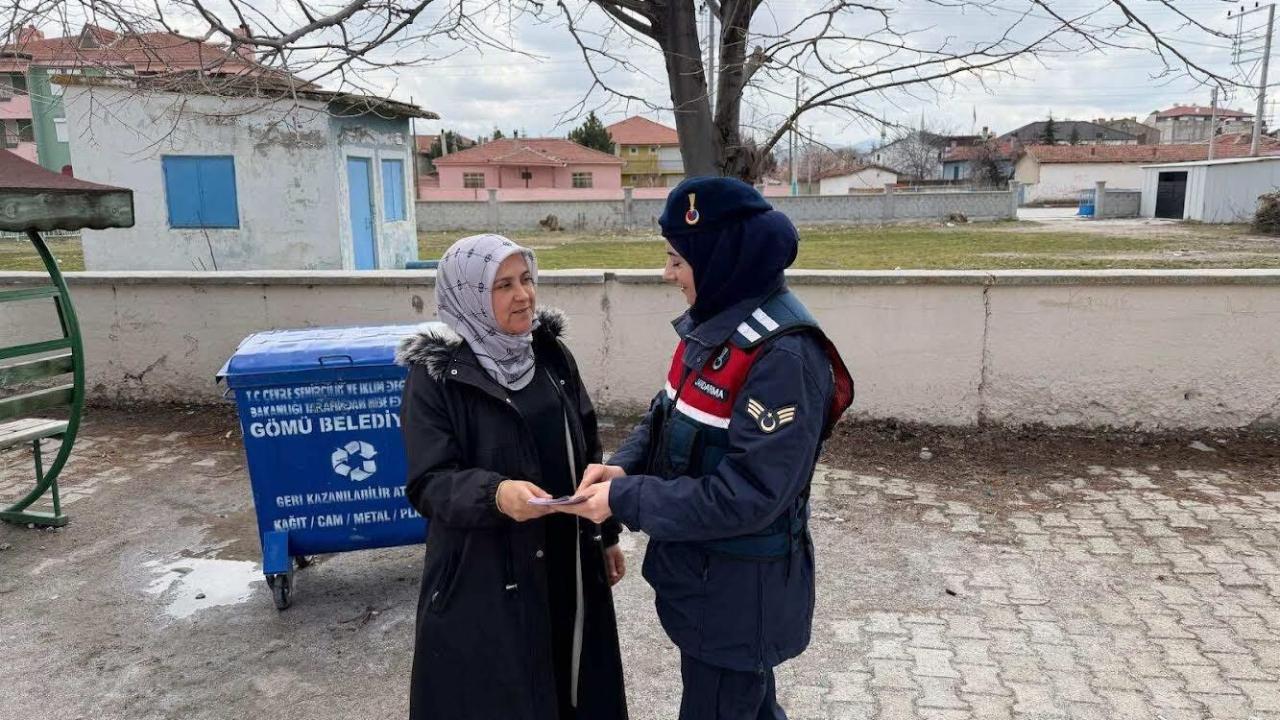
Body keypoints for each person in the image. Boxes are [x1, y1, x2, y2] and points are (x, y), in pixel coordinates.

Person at [562, 177, 854, 720]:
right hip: (708, 585)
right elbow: (664, 413)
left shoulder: (782, 357)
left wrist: (628, 501)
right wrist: (620, 469)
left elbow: (749, 495)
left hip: (740, 596)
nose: (667, 274)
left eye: (677, 259)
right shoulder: (715, 327)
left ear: (719, 258)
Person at [396, 233, 628, 720]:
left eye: (526, 279)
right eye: (502, 285)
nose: (523, 294)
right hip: (486, 574)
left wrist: (605, 534)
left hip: (569, 559)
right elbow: (429, 482)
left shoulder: (549, 354)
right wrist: (496, 495)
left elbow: (586, 444)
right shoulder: (436, 377)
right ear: (470, 295)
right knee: (507, 693)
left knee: (576, 684)